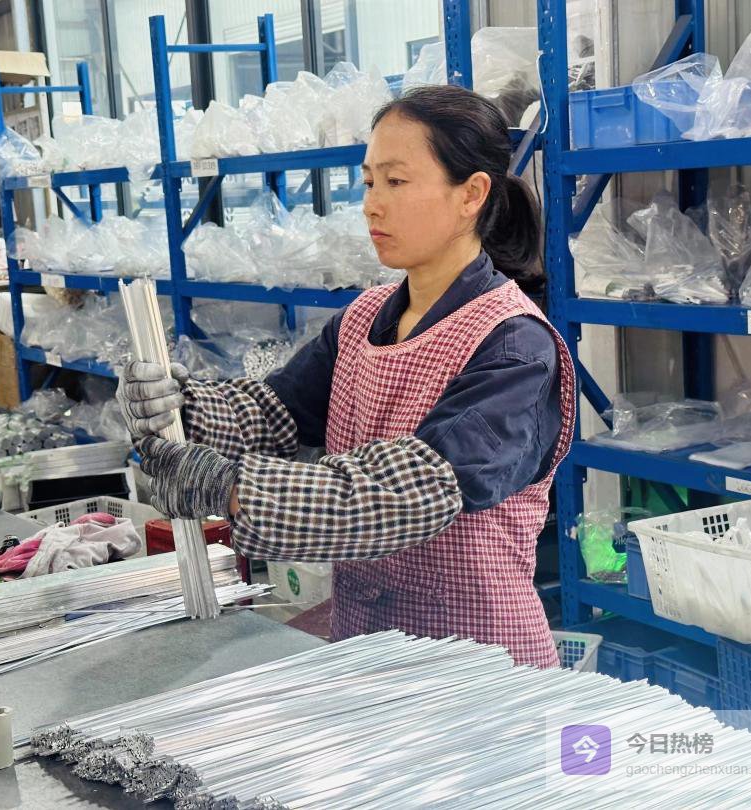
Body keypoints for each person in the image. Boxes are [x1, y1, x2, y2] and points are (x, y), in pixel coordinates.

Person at [117, 84, 575, 668]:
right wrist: (181, 409)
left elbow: (413, 490)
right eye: (368, 182)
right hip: (366, 649)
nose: (372, 205)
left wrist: (231, 488)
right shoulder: (364, 317)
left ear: (472, 194)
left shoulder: (515, 346)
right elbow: (274, 412)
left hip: (474, 663)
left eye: (396, 181)